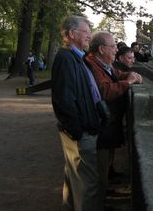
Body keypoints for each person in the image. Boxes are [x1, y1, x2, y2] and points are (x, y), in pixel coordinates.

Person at [85, 31, 142, 205]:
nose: (116, 50)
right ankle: (97, 204)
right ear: (101, 49)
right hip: (100, 126)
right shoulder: (93, 65)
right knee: (98, 176)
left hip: (107, 126)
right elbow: (105, 91)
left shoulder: (103, 64)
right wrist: (129, 82)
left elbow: (117, 74)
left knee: (104, 168)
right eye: (112, 47)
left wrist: (129, 76)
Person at [51, 15, 102, 211]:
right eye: (86, 32)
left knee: (74, 180)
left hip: (80, 130)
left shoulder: (76, 57)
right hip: (80, 133)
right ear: (72, 34)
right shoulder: (66, 58)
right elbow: (64, 99)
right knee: (87, 184)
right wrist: (77, 131)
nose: (90, 36)